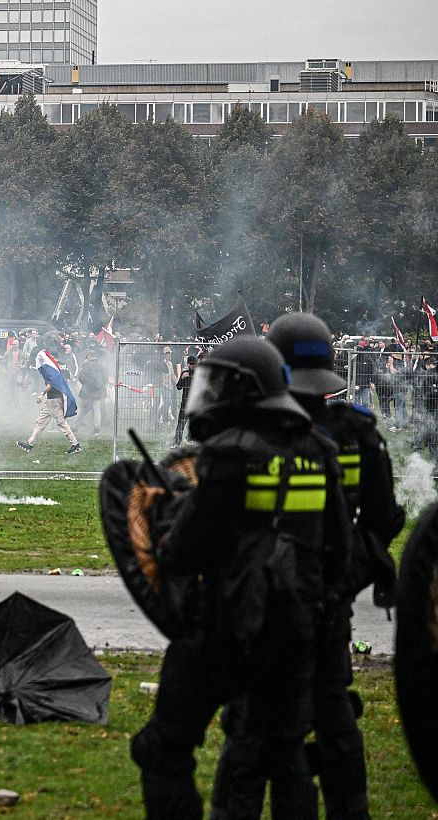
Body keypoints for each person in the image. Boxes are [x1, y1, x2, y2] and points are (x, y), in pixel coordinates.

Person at [130, 336, 350, 820]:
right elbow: (339, 549)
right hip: (295, 632)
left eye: (215, 383)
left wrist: (167, 524)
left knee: (161, 748)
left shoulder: (229, 453)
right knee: (286, 755)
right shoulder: (318, 448)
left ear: (241, 389)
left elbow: (190, 550)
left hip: (226, 629)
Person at [211, 314, 405, 820]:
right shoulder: (358, 433)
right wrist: (340, 580)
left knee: (251, 727)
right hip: (328, 603)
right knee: (334, 716)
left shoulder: (252, 438)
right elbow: (382, 521)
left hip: (259, 607)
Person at [16, 353, 81, 455]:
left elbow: (51, 382)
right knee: (40, 422)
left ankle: (75, 444)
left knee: (61, 423)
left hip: (54, 399)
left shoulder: (50, 368)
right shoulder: (58, 366)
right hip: (52, 399)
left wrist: (42, 393)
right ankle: (30, 444)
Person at [75, 351, 108, 435]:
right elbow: (105, 379)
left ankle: (75, 426)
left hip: (87, 391)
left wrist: (86, 385)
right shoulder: (101, 366)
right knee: (97, 410)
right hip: (98, 392)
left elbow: (81, 377)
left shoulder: (86, 366)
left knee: (82, 409)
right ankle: (96, 429)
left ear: (89, 357)